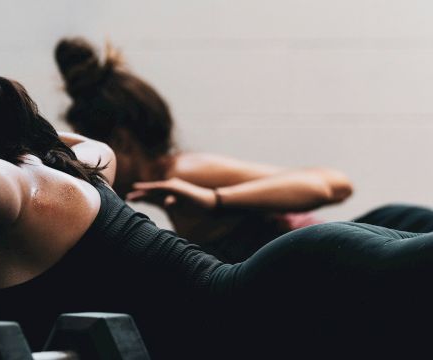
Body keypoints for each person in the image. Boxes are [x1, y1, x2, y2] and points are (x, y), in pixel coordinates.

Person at [0, 32, 433, 358]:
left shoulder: (10, 189)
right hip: (301, 289)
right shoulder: (54, 162)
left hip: (292, 304)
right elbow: (90, 149)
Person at [54, 38, 433, 263]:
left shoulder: (185, 172)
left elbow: (333, 184)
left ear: (121, 142)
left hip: (371, 250)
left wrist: (216, 199)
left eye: (91, 152)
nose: (87, 167)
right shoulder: (171, 189)